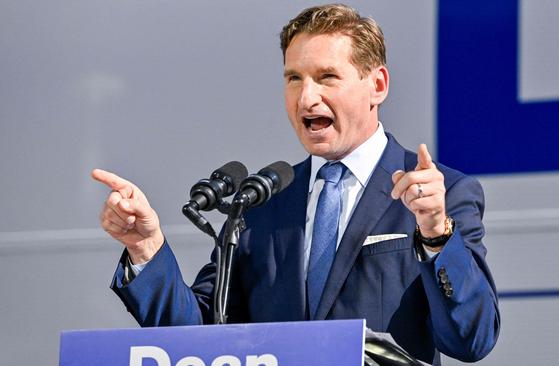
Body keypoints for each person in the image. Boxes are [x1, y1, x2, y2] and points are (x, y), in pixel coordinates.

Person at [92, 4, 499, 364]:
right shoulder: (263, 202)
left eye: (326, 77)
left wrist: (434, 235)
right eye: (294, 78)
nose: (306, 98)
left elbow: (471, 340)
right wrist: (145, 249)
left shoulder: (440, 197)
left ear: (377, 85)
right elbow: (198, 337)